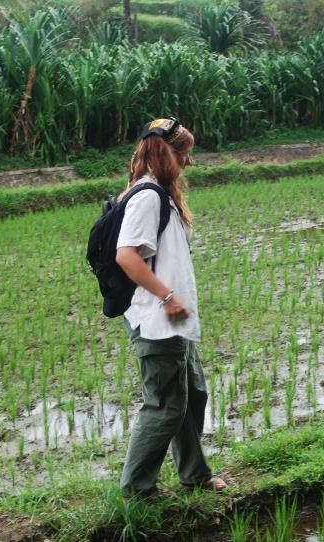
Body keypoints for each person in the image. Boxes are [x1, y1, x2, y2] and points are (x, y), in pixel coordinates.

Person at [115, 118, 227, 497]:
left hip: (173, 319)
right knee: (164, 406)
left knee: (192, 394)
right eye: (182, 154)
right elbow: (127, 257)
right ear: (164, 153)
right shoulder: (147, 196)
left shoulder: (160, 196)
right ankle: (136, 490)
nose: (188, 162)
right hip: (157, 319)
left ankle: (194, 473)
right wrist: (167, 296)